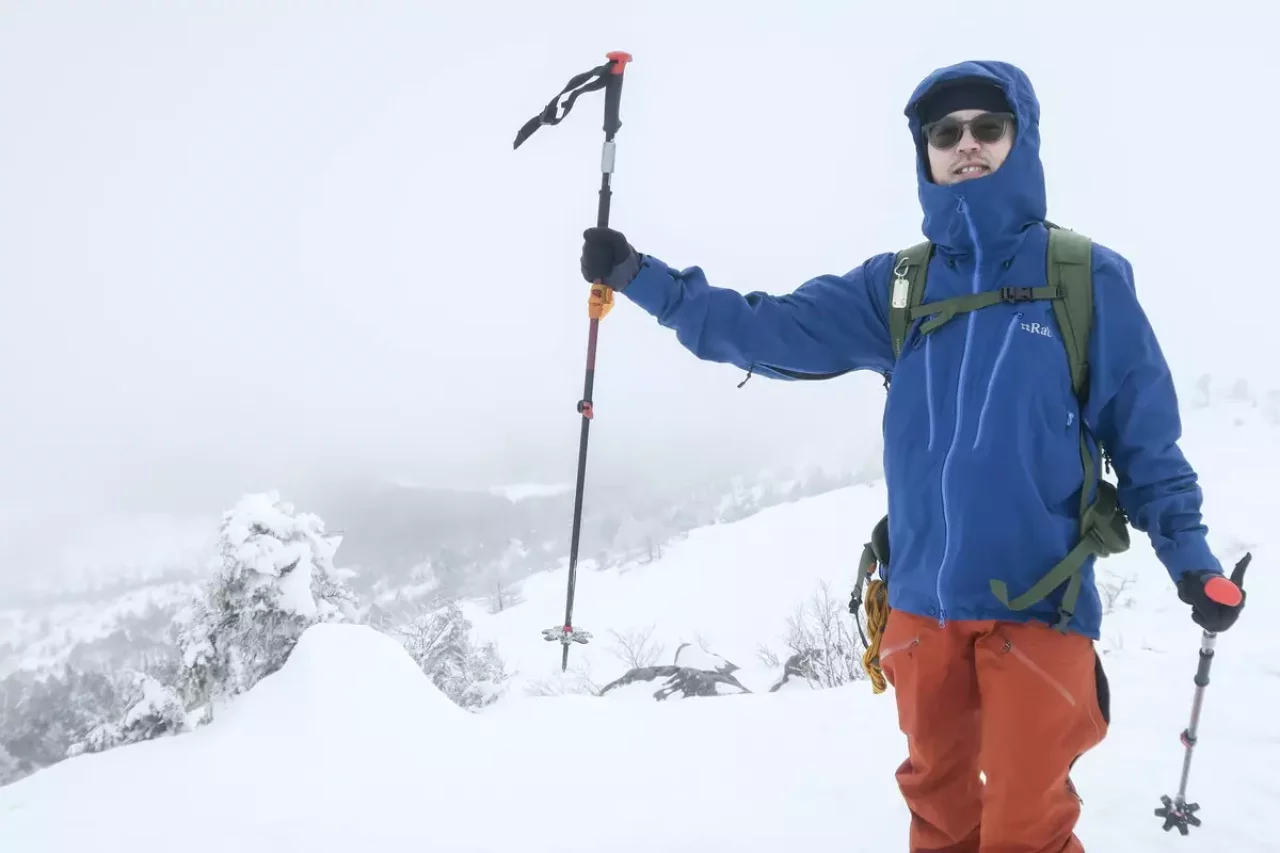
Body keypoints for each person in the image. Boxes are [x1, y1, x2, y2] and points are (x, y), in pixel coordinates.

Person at [578, 60, 1247, 852]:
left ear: (1021, 138)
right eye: (945, 132)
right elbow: (765, 328)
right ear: (924, 151)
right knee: (940, 820)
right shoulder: (898, 287)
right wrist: (640, 278)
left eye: (987, 127)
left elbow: (1146, 442)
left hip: (1042, 608)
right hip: (923, 612)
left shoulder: (1083, 278)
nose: (966, 144)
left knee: (1027, 827)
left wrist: (1191, 561)